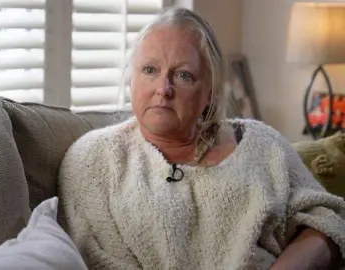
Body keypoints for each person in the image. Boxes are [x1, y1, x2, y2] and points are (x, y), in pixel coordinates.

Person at [57, 7, 345, 270]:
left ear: (209, 92)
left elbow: (329, 220)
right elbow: (96, 258)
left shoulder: (262, 143)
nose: (163, 88)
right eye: (149, 70)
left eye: (183, 75)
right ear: (131, 80)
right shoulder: (94, 160)